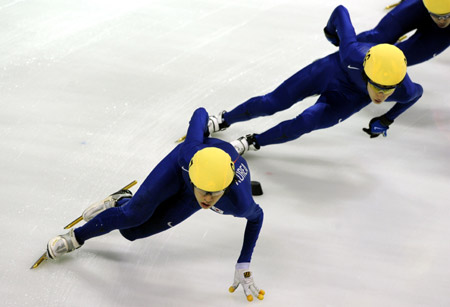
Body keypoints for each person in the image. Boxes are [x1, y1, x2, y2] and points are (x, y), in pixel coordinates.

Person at [46, 107, 265, 302]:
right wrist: (204, 129)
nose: (207, 199)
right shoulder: (190, 152)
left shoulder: (239, 202)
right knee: (132, 215)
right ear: (194, 176)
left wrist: (243, 262)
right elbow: (200, 112)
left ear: (225, 188)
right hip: (176, 169)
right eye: (204, 192)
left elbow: (257, 217)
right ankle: (75, 238)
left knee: (132, 233)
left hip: (192, 192)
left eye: (214, 194)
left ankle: (120, 200)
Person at [207, 5, 424, 155]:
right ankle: (224, 119)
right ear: (367, 74)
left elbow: (416, 93)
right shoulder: (352, 54)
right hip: (330, 71)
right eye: (377, 87)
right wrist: (331, 33)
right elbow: (341, 11)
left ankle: (253, 141)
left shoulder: (403, 89)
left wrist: (387, 119)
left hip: (348, 99)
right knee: (273, 102)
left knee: (305, 122)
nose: (381, 95)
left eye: (388, 90)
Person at [356, 0, 450, 66]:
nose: (441, 21)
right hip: (422, 5)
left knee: (394, 58)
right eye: (435, 16)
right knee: (379, 35)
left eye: (446, 16)